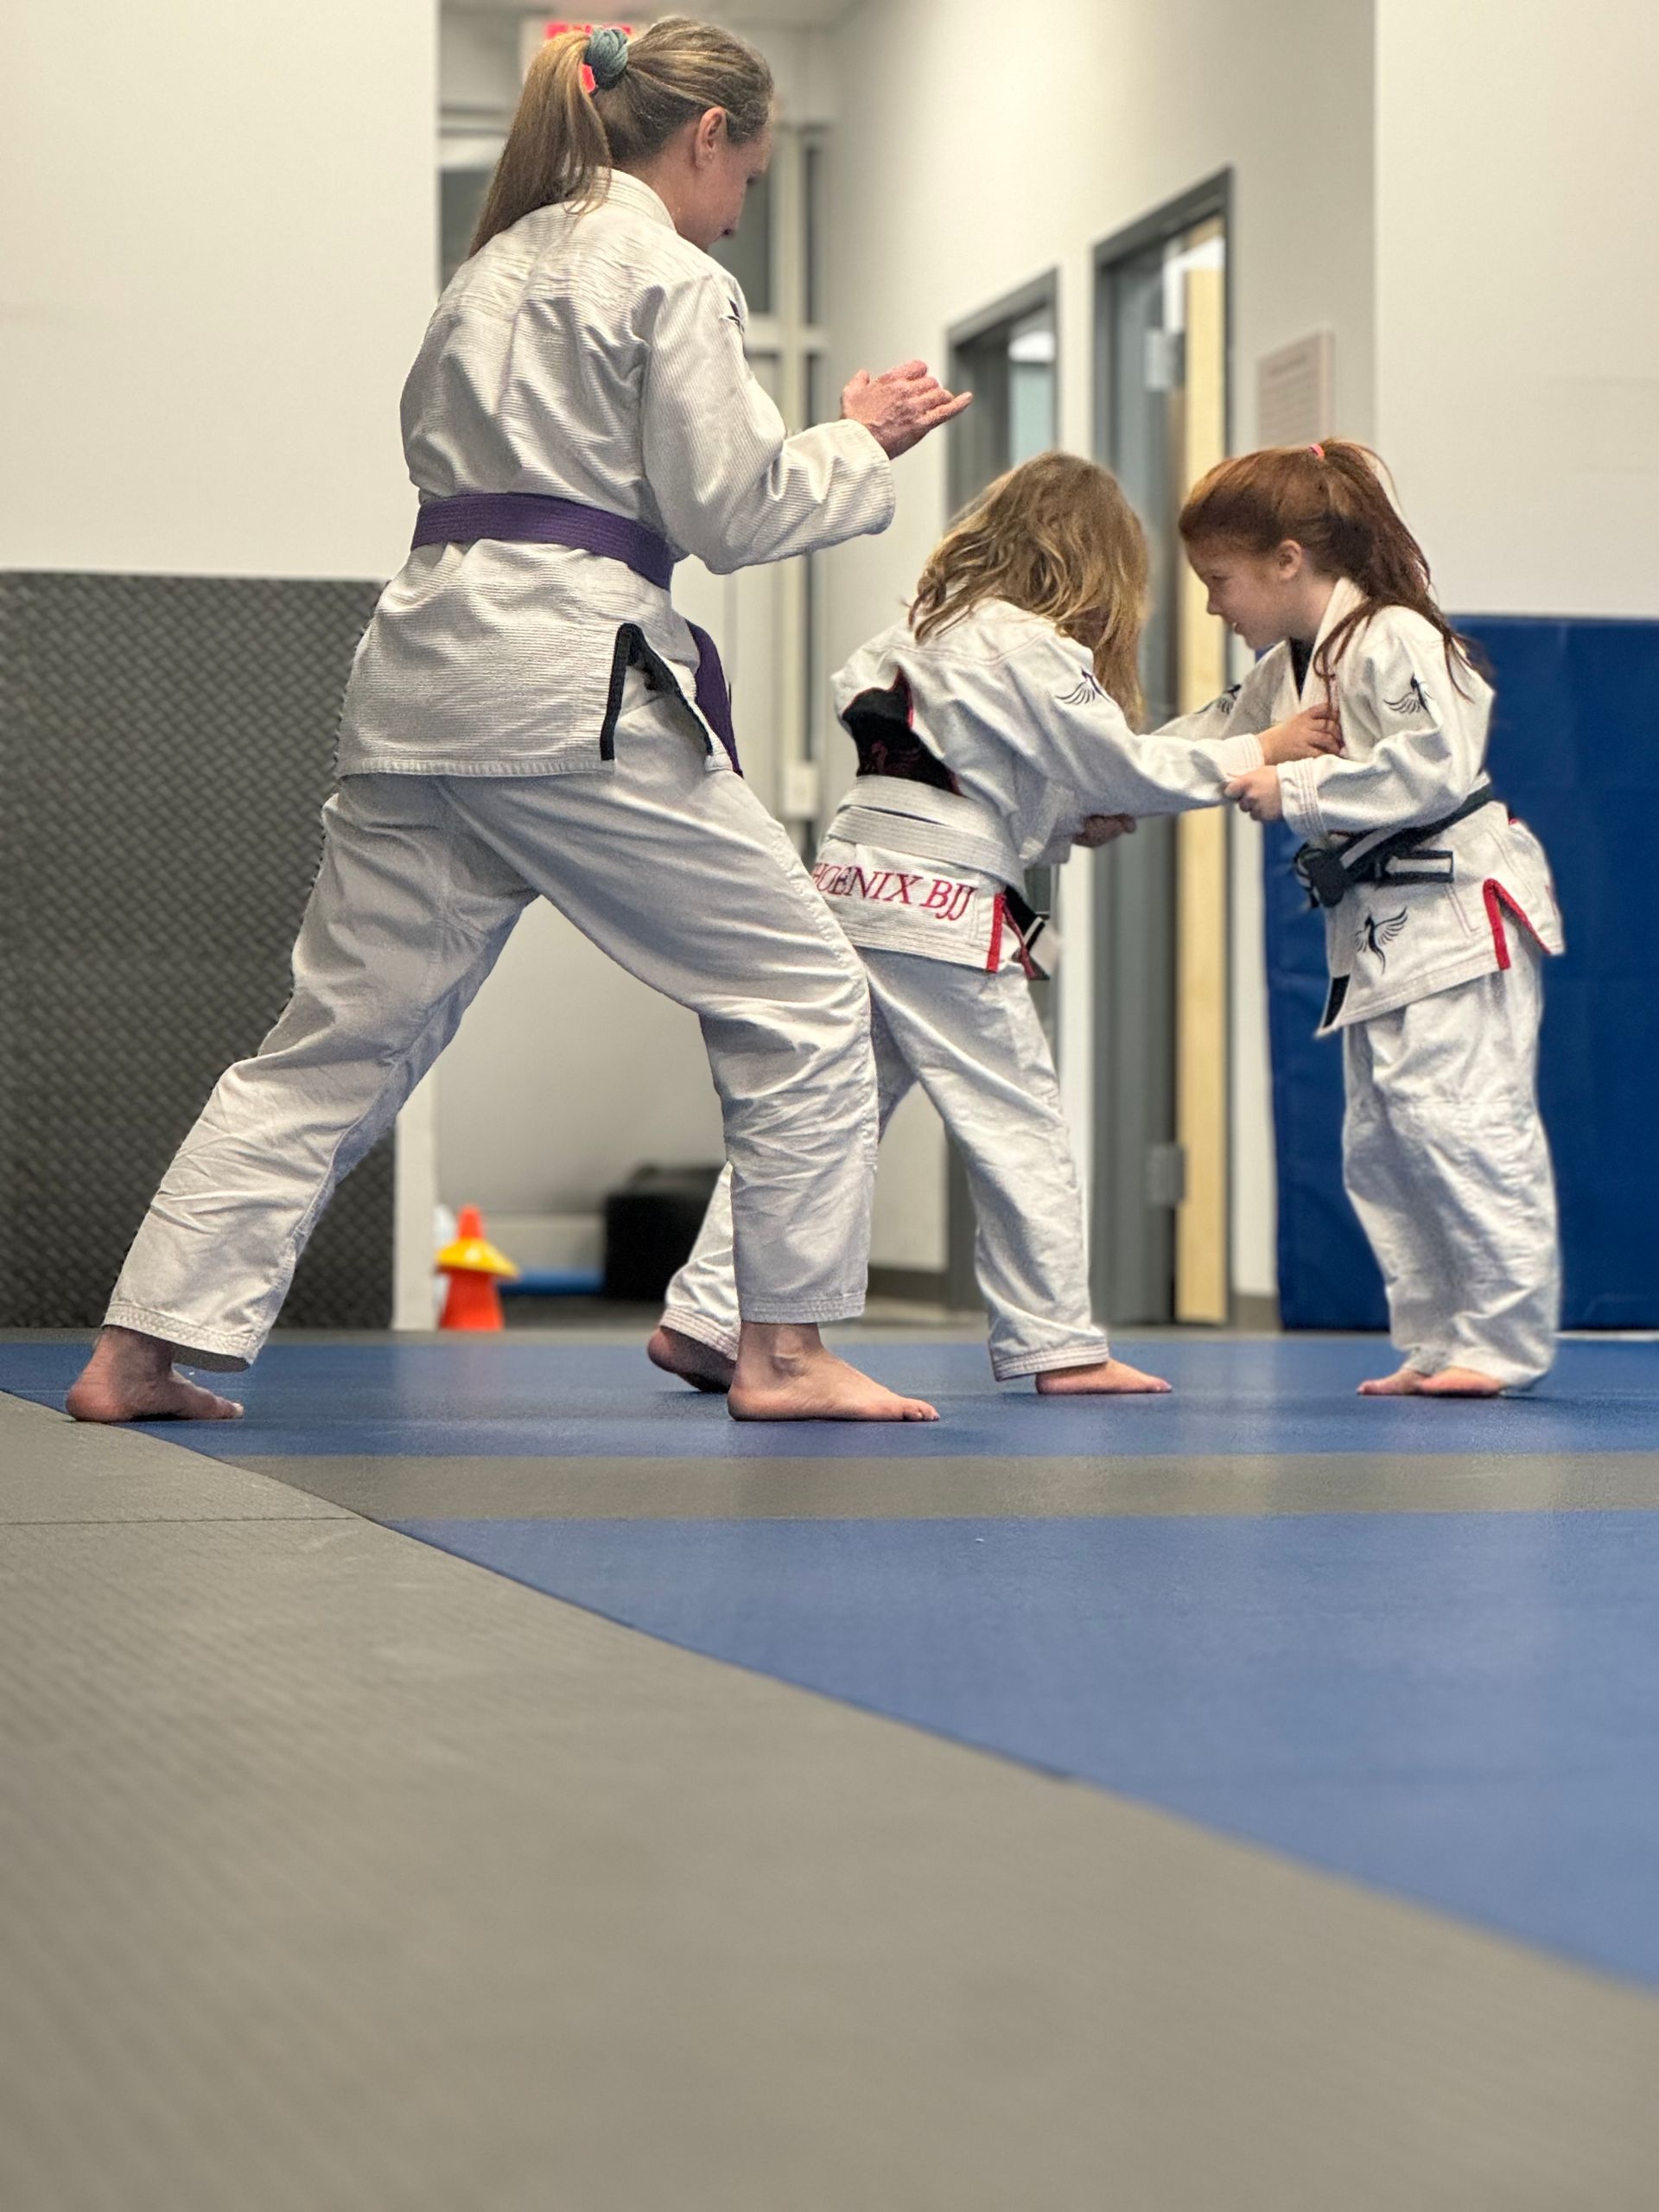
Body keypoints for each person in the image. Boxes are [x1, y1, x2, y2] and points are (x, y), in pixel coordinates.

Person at [67, 18, 970, 1428]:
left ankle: (140, 1351)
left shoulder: (486, 267)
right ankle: (782, 1353)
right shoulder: (670, 275)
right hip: (564, 678)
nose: (745, 204)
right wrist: (863, 440)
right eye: (752, 170)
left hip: (421, 676)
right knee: (806, 995)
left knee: (333, 1044)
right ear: (709, 137)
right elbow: (729, 512)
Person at [648, 452, 1342, 1395]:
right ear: (1094, 561)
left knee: (812, 1116)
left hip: (849, 884)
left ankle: (707, 1311)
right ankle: (1060, 1342)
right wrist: (1266, 745)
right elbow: (1120, 767)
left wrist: (1059, 819)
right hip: (941, 907)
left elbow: (966, 770)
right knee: (1015, 1121)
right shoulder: (1030, 644)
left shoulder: (910, 634)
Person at [1183, 439, 1564, 1397]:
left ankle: (1504, 1341)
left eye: (1220, 579)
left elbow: (1436, 766)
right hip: (1381, 923)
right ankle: (1438, 1338)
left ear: (1287, 559)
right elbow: (1212, 741)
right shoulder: (1292, 667)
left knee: (1462, 1122)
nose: (1213, 604)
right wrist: (1101, 790)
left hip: (1450, 905)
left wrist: (1298, 786)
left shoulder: (1395, 634)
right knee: (1384, 1141)